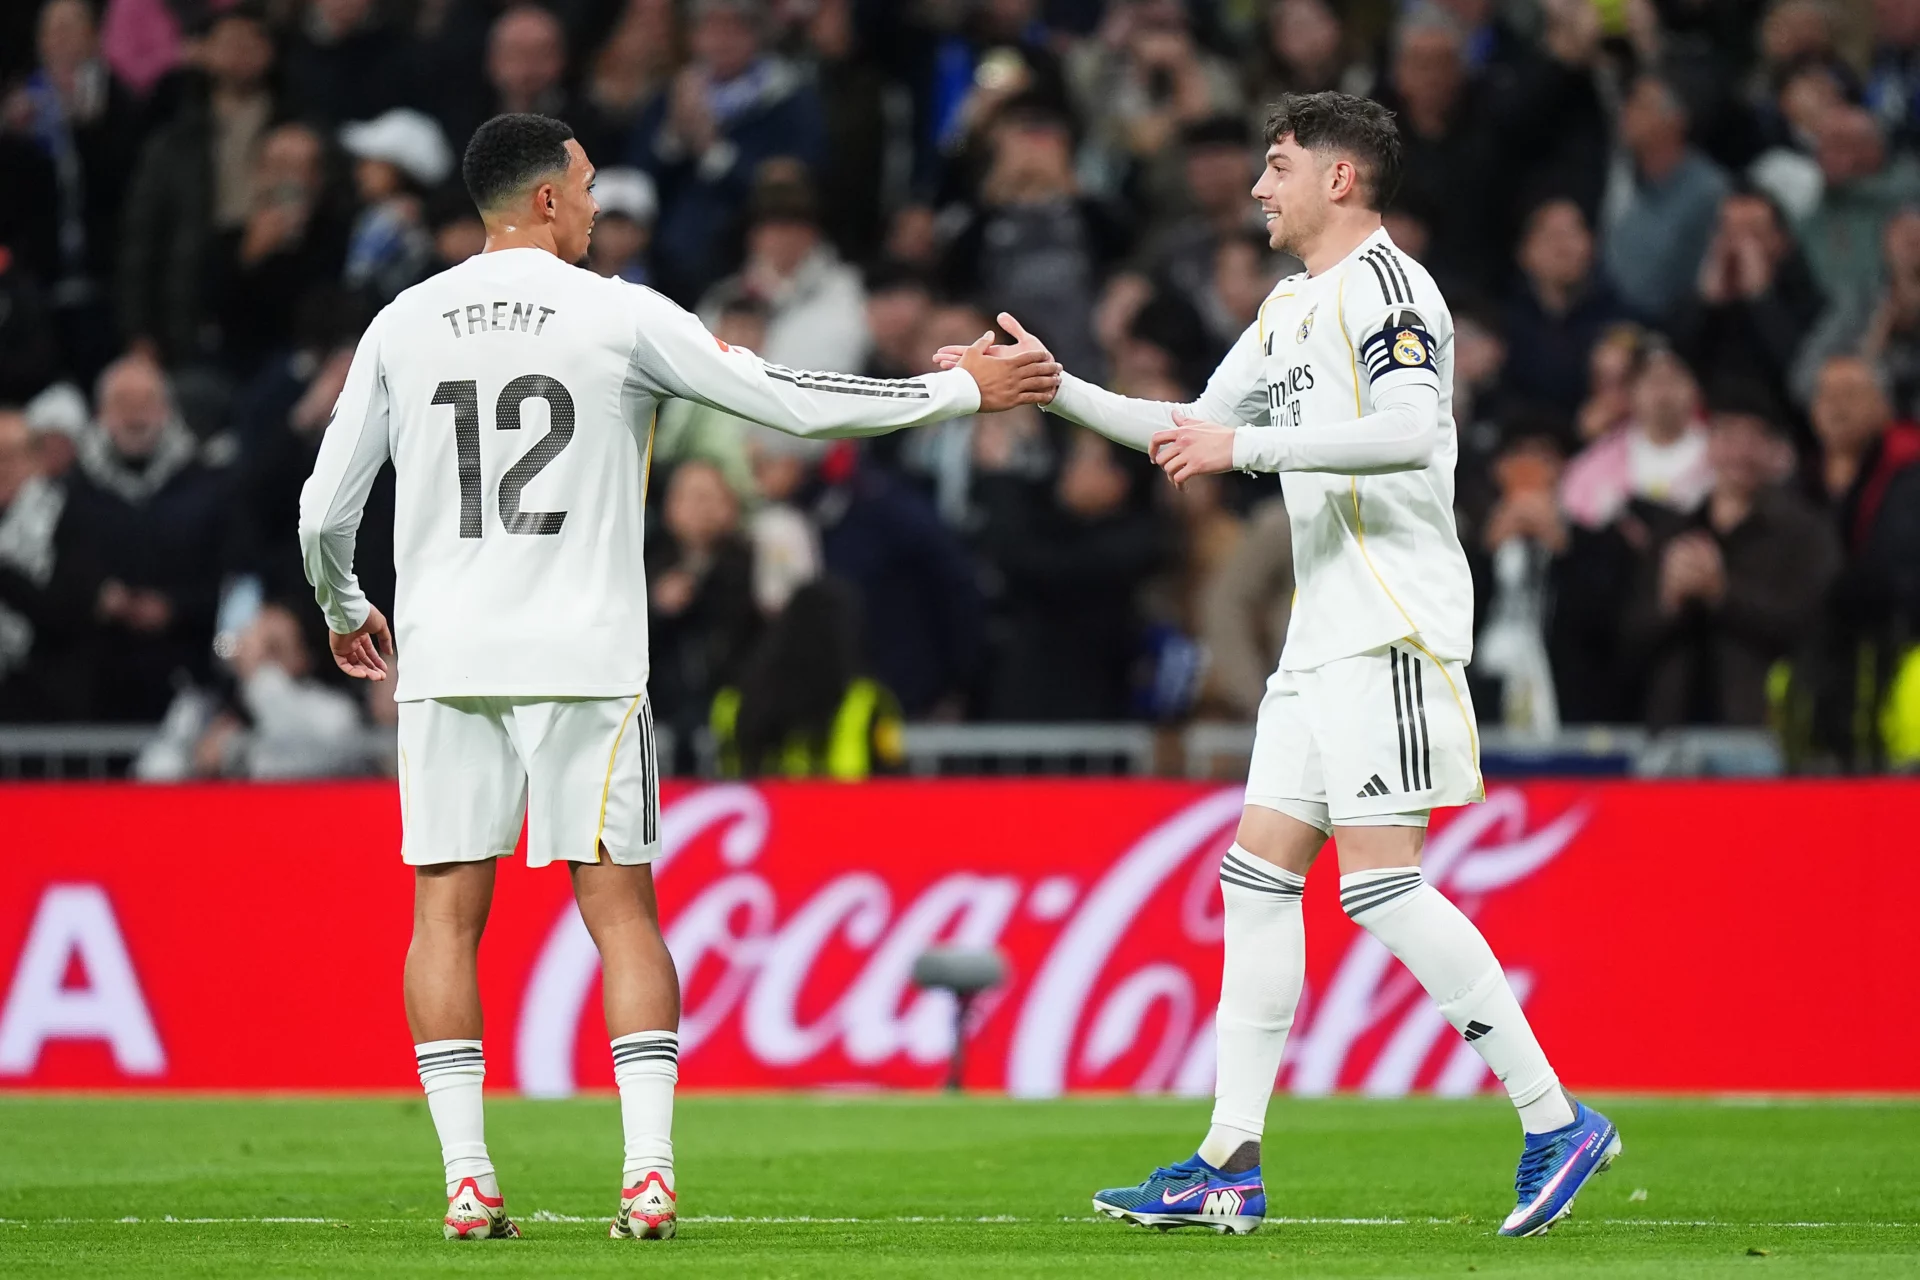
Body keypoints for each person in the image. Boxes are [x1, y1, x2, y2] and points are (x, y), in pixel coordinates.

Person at [295, 113, 1057, 1242]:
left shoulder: (403, 323)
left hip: (448, 659)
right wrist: (956, 393)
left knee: (445, 918)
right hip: (586, 659)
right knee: (621, 913)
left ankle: (467, 1180)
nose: (597, 204)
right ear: (547, 198)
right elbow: (789, 400)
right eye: (588, 184)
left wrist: (342, 605)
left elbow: (323, 510)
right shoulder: (621, 314)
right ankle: (647, 1176)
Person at [941, 90, 1617, 1238]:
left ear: (1339, 178)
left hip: (1389, 621)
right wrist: (1058, 387)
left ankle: (1556, 1118)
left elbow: (1411, 428)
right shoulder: (1290, 304)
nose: (1258, 186)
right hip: (1319, 638)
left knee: (1381, 884)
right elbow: (1188, 424)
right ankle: (1228, 1161)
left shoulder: (1393, 289)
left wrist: (1246, 445)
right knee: (1255, 879)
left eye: (1278, 165)